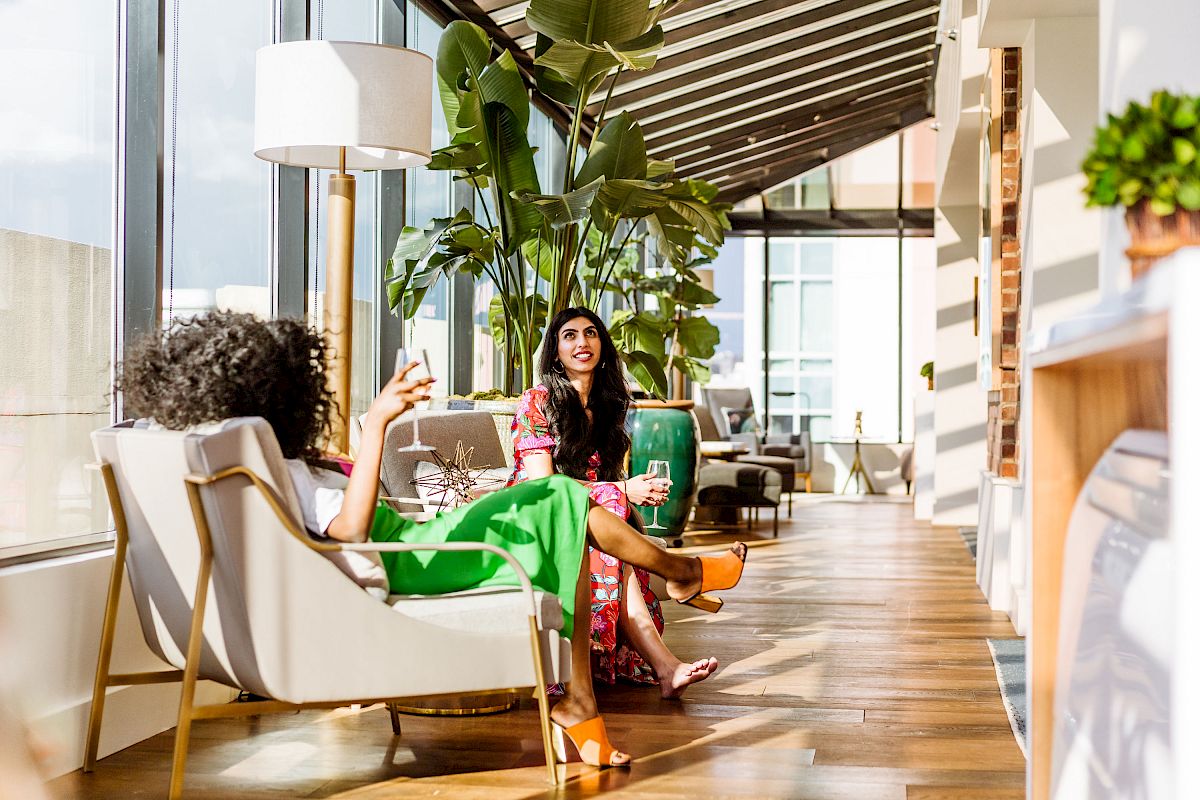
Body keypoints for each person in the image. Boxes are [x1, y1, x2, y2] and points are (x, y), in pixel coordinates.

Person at [118, 311, 747, 769]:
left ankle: (585, 697)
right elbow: (350, 533)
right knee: (560, 498)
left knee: (563, 509)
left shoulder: (272, 462)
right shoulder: (273, 468)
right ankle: (678, 579)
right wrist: (375, 428)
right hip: (412, 557)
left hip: (419, 540)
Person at [508, 307, 721, 699]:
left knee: (607, 539)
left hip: (591, 518)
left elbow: (605, 480)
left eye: (590, 333)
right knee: (601, 524)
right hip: (537, 516)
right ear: (555, 351)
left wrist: (628, 507)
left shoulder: (610, 406)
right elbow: (541, 485)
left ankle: (667, 665)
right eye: (568, 336)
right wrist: (622, 492)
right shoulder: (535, 401)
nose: (581, 342)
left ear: (602, 347)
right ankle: (679, 596)